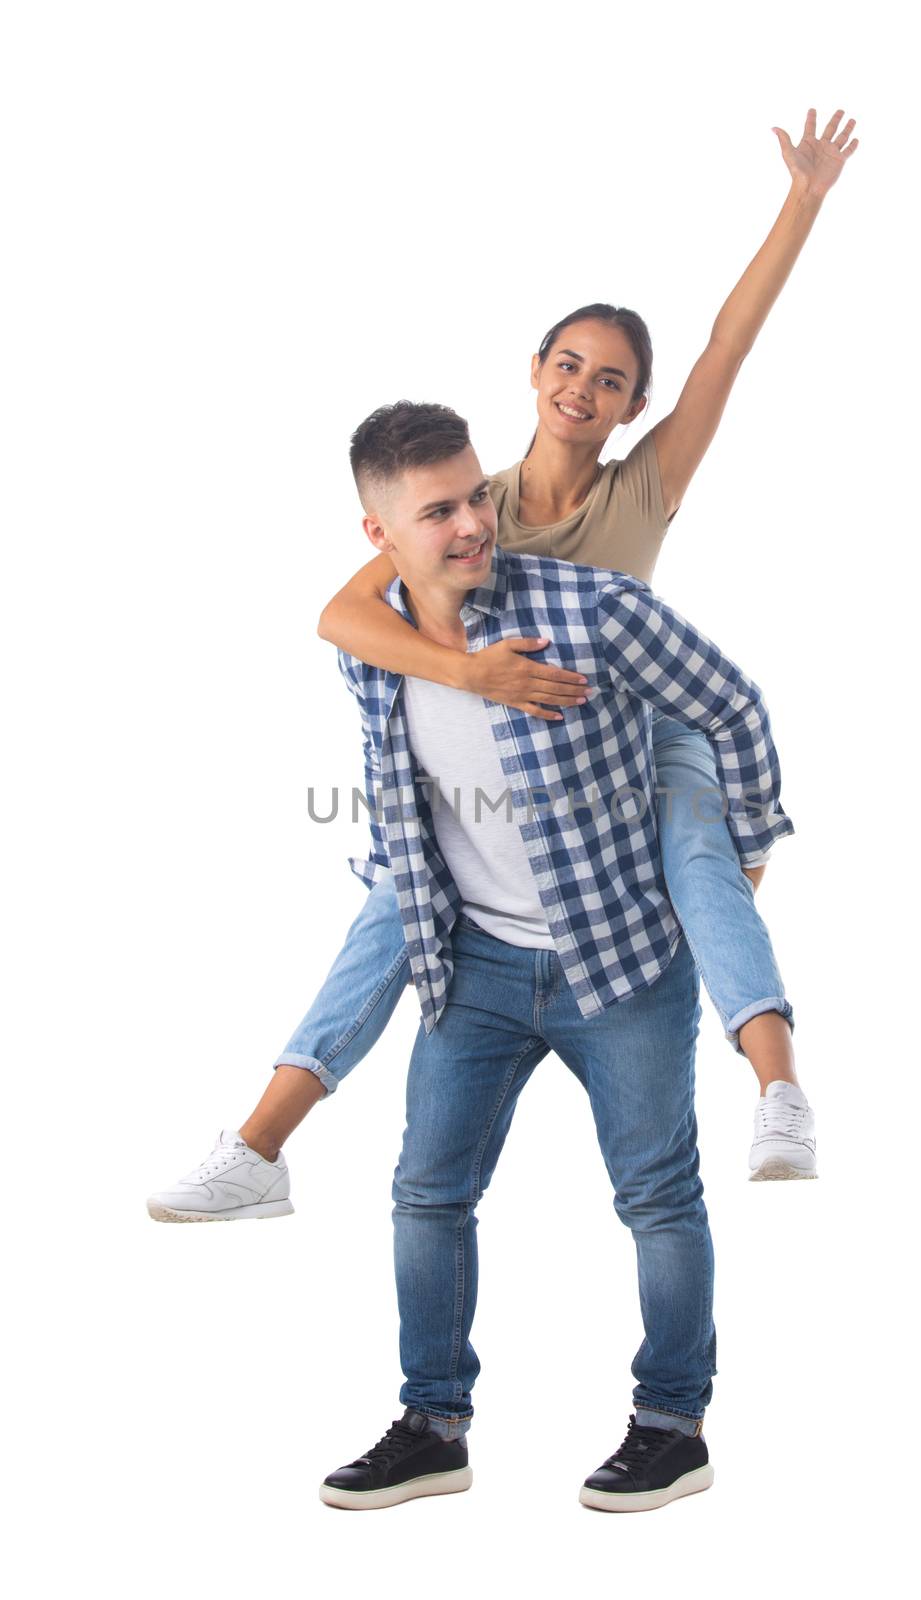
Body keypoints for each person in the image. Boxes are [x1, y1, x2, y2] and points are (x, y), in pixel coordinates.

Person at [146, 107, 857, 1222]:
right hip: (502, 736)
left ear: (629, 405)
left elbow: (727, 344)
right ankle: (259, 1148)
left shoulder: (644, 485)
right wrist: (469, 675)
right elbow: (340, 612)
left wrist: (801, 203)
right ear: (533, 372)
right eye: (567, 364)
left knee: (693, 839)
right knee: (394, 895)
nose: (583, 387)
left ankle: (778, 1090)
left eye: (612, 379)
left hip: (627, 716)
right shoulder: (472, 501)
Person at [315, 401, 789, 1511]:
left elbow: (733, 707)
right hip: (470, 969)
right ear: (378, 534)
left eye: (477, 494)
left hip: (616, 962)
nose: (475, 523)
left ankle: (672, 1424)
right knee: (426, 1195)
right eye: (439, 511)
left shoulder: (590, 608)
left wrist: (742, 856)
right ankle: (431, 1421)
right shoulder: (369, 643)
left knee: (657, 1197)